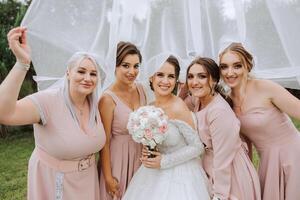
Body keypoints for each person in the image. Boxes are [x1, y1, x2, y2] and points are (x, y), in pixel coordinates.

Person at [0, 27, 106, 200]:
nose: (88, 78)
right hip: (55, 183)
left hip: (87, 182)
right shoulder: (47, 101)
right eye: (81, 71)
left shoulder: (95, 103)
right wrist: (22, 63)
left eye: (93, 74)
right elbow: (4, 113)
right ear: (68, 73)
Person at [219, 42, 300, 200]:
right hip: (268, 164)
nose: (230, 72)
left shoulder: (265, 87)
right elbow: (244, 142)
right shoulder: (226, 102)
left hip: (295, 154)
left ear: (247, 66)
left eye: (237, 66)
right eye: (224, 67)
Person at [122, 55, 210, 200]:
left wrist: (164, 161)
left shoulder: (178, 107)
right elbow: (154, 140)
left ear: (176, 81)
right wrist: (148, 149)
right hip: (151, 173)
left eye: (170, 76)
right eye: (160, 75)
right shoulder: (149, 108)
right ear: (151, 77)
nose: (165, 81)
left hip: (181, 174)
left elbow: (197, 147)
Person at [185, 57, 261, 200]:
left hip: (231, 176)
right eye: (190, 77)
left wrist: (219, 195)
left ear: (214, 80)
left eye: (202, 76)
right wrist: (184, 88)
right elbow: (179, 102)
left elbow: (222, 160)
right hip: (211, 168)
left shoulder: (218, 112)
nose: (194, 82)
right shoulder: (199, 101)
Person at [98, 41, 147, 200]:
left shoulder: (140, 89)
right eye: (126, 65)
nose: (132, 71)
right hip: (118, 160)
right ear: (115, 66)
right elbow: (104, 143)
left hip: (140, 158)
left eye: (136, 66)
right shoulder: (107, 98)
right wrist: (108, 177)